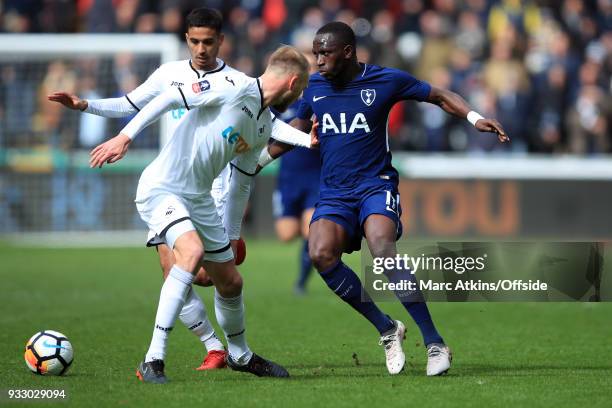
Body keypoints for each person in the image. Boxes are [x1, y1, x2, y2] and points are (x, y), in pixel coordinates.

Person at [48, 7, 311, 371]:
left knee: (228, 281)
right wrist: (101, 118)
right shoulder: (186, 78)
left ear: (220, 41)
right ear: (186, 40)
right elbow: (141, 102)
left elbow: (256, 154)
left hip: (204, 194)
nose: (201, 49)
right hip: (165, 185)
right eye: (194, 41)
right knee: (186, 258)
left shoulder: (245, 96)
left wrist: (308, 141)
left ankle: (239, 355)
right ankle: (157, 358)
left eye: (207, 41)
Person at [263, 22, 508, 376]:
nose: (317, 60)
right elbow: (297, 130)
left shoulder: (385, 80)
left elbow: (437, 94)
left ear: (347, 52)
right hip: (333, 192)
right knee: (319, 252)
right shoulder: (314, 87)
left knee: (382, 248)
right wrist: (258, 162)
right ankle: (386, 328)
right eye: (315, 53)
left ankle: (435, 342)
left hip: (375, 185)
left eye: (324, 53)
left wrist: (475, 117)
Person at [272, 100, 320, 295]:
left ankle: (301, 283)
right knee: (286, 235)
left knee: (312, 231)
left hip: (316, 177)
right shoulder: (276, 104)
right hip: (287, 179)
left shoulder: (316, 100)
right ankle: (310, 233)